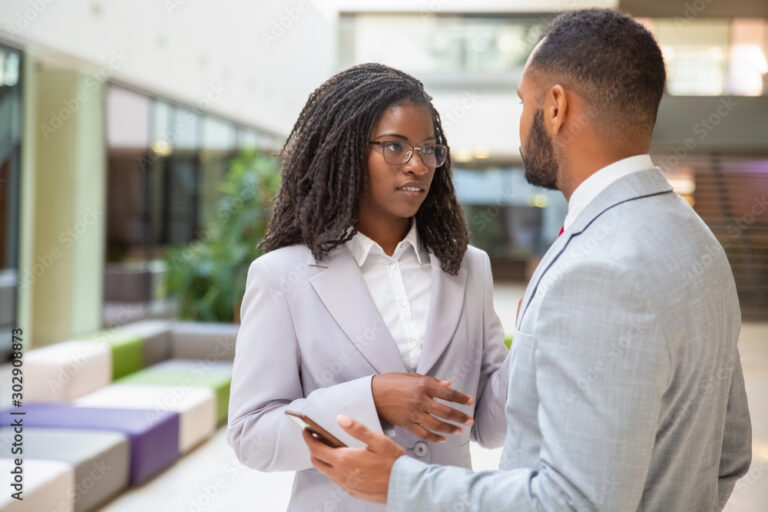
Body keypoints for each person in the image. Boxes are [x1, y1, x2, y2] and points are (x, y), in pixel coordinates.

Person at [302, 9, 753, 511]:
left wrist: (401, 483)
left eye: (524, 102)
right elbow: (729, 456)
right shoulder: (699, 245)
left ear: (555, 107)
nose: (519, 124)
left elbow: (574, 502)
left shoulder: (595, 270)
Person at [227, 63, 511, 511]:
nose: (418, 165)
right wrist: (371, 399)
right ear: (345, 152)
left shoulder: (469, 269)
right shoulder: (282, 276)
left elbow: (490, 426)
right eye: (395, 147)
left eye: (429, 149)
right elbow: (252, 436)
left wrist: (542, 329)